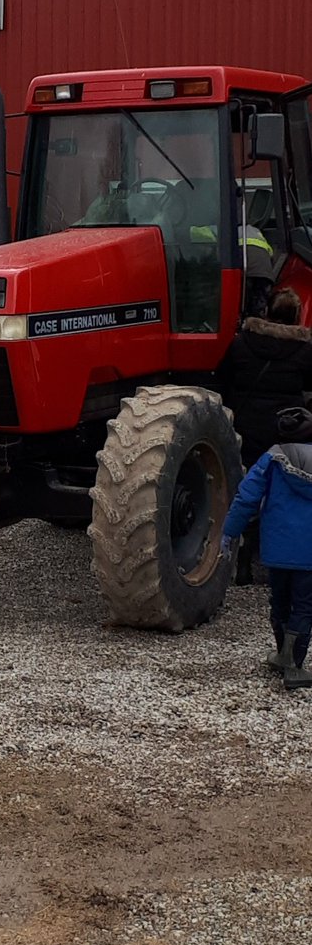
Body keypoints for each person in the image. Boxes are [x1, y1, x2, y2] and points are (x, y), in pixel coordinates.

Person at [217, 287, 312, 583]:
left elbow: (223, 381)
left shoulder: (242, 343)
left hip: (246, 427)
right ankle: (279, 564)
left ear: (266, 312)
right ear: (296, 316)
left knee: (247, 491)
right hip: (286, 431)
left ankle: (241, 562)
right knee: (282, 493)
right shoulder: (305, 350)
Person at [222, 406, 312, 690]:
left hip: (276, 549)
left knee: (280, 601)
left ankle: (282, 655)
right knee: (305, 606)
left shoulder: (270, 460)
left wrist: (229, 532)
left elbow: (246, 500)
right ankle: (294, 665)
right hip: (309, 553)